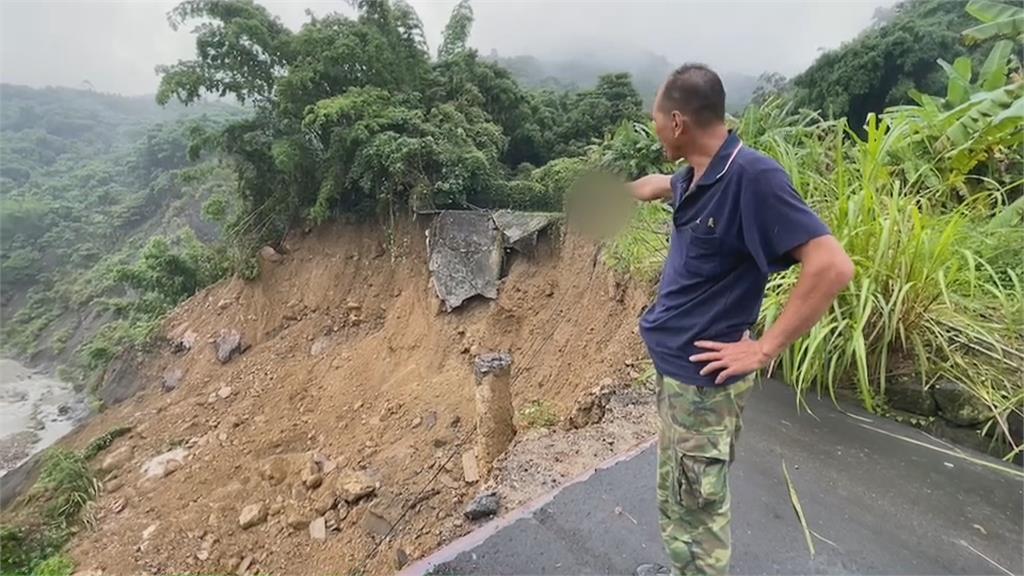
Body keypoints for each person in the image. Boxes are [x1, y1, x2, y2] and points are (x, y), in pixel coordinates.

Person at [628, 64, 854, 576]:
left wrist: (764, 348)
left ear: (679, 122)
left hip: (706, 384)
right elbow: (669, 183)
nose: (655, 129)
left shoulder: (752, 176)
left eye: (657, 120)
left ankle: (697, 568)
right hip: (679, 376)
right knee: (680, 490)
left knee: (701, 506)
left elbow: (832, 265)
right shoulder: (699, 174)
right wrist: (636, 189)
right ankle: (682, 566)